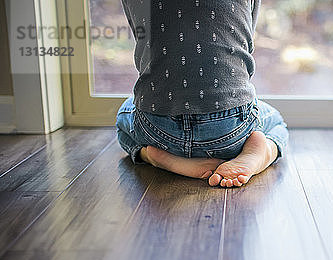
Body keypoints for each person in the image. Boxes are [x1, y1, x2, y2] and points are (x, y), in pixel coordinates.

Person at [115, 0, 288, 187]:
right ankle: (264, 153)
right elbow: (246, 41)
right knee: (277, 121)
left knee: (123, 120)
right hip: (231, 129)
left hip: (158, 129)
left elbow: (143, 39)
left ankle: (153, 156)